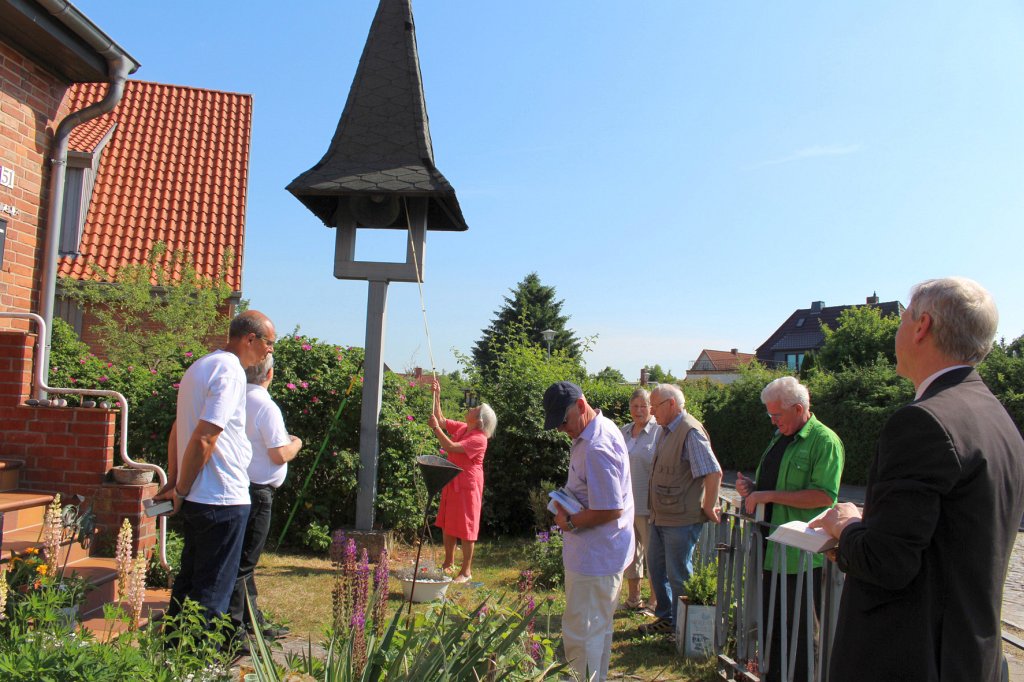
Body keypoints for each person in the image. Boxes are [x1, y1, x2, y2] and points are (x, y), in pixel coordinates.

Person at [811, 277, 1024, 682]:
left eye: (903, 318)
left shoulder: (923, 421)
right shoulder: (998, 418)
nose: (898, 330)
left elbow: (887, 562)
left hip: (910, 658)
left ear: (922, 326)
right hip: (970, 658)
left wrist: (846, 526)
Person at [155, 310, 275, 624]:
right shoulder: (230, 371)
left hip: (200, 498)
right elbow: (206, 437)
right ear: (250, 338)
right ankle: (197, 666)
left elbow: (177, 428)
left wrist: (176, 480)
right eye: (269, 343)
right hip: (222, 500)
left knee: (188, 587)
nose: (270, 351)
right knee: (211, 596)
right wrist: (179, 487)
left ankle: (173, 660)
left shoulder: (201, 365)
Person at [735, 376, 844, 682]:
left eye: (776, 416)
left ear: (798, 409)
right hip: (774, 549)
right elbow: (778, 484)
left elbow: (824, 496)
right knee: (775, 625)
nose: (773, 422)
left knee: (801, 630)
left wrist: (766, 495)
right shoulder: (781, 437)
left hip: (803, 555)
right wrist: (753, 488)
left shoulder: (825, 441)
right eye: (770, 415)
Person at [544, 381, 633, 682]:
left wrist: (569, 522)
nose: (561, 429)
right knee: (596, 633)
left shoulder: (597, 445)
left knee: (582, 635)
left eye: (563, 421)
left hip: (595, 560)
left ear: (581, 406)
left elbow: (611, 508)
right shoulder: (596, 430)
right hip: (598, 555)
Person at [228, 354, 303, 638]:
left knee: (241, 559)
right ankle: (237, 630)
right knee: (245, 562)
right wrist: (296, 443)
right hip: (258, 492)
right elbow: (278, 453)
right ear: (269, 374)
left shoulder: (236, 397)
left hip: (238, 487)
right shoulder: (264, 405)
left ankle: (252, 621)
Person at [639, 383, 722, 637]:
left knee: (678, 574)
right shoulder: (666, 430)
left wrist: (708, 505)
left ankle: (683, 628)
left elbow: (713, 472)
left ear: (671, 404)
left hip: (681, 519)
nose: (651, 412)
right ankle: (667, 618)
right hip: (661, 515)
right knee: (656, 567)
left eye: (655, 406)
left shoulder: (690, 431)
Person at [428, 378, 497, 583]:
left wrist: (436, 430)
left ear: (478, 420)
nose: (470, 408)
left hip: (468, 486)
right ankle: (448, 564)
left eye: (475, 409)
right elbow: (441, 420)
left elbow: (450, 447)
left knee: (467, 527)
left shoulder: (479, 438)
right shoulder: (463, 429)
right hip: (452, 481)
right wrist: (437, 395)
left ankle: (466, 572)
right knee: (449, 523)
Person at [619, 388, 661, 613]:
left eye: (643, 406)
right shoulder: (623, 432)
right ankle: (634, 599)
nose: (638, 411)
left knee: (652, 554)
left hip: (649, 503)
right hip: (626, 505)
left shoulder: (659, 432)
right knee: (630, 553)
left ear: (651, 408)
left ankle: (655, 602)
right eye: (634, 406)